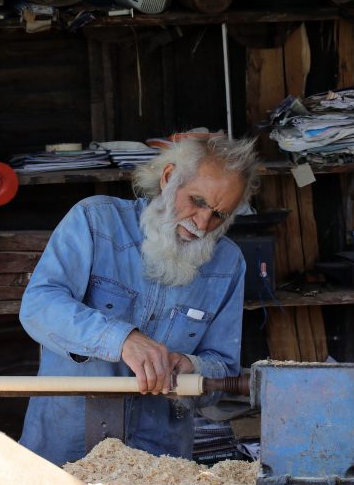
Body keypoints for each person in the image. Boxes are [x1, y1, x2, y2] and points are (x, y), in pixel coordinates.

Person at [18, 136, 259, 465]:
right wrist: (121, 339)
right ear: (169, 178)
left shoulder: (228, 264)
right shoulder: (96, 221)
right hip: (65, 445)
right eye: (197, 201)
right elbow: (38, 306)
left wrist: (193, 368)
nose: (203, 223)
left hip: (159, 458)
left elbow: (223, 370)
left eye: (219, 215)